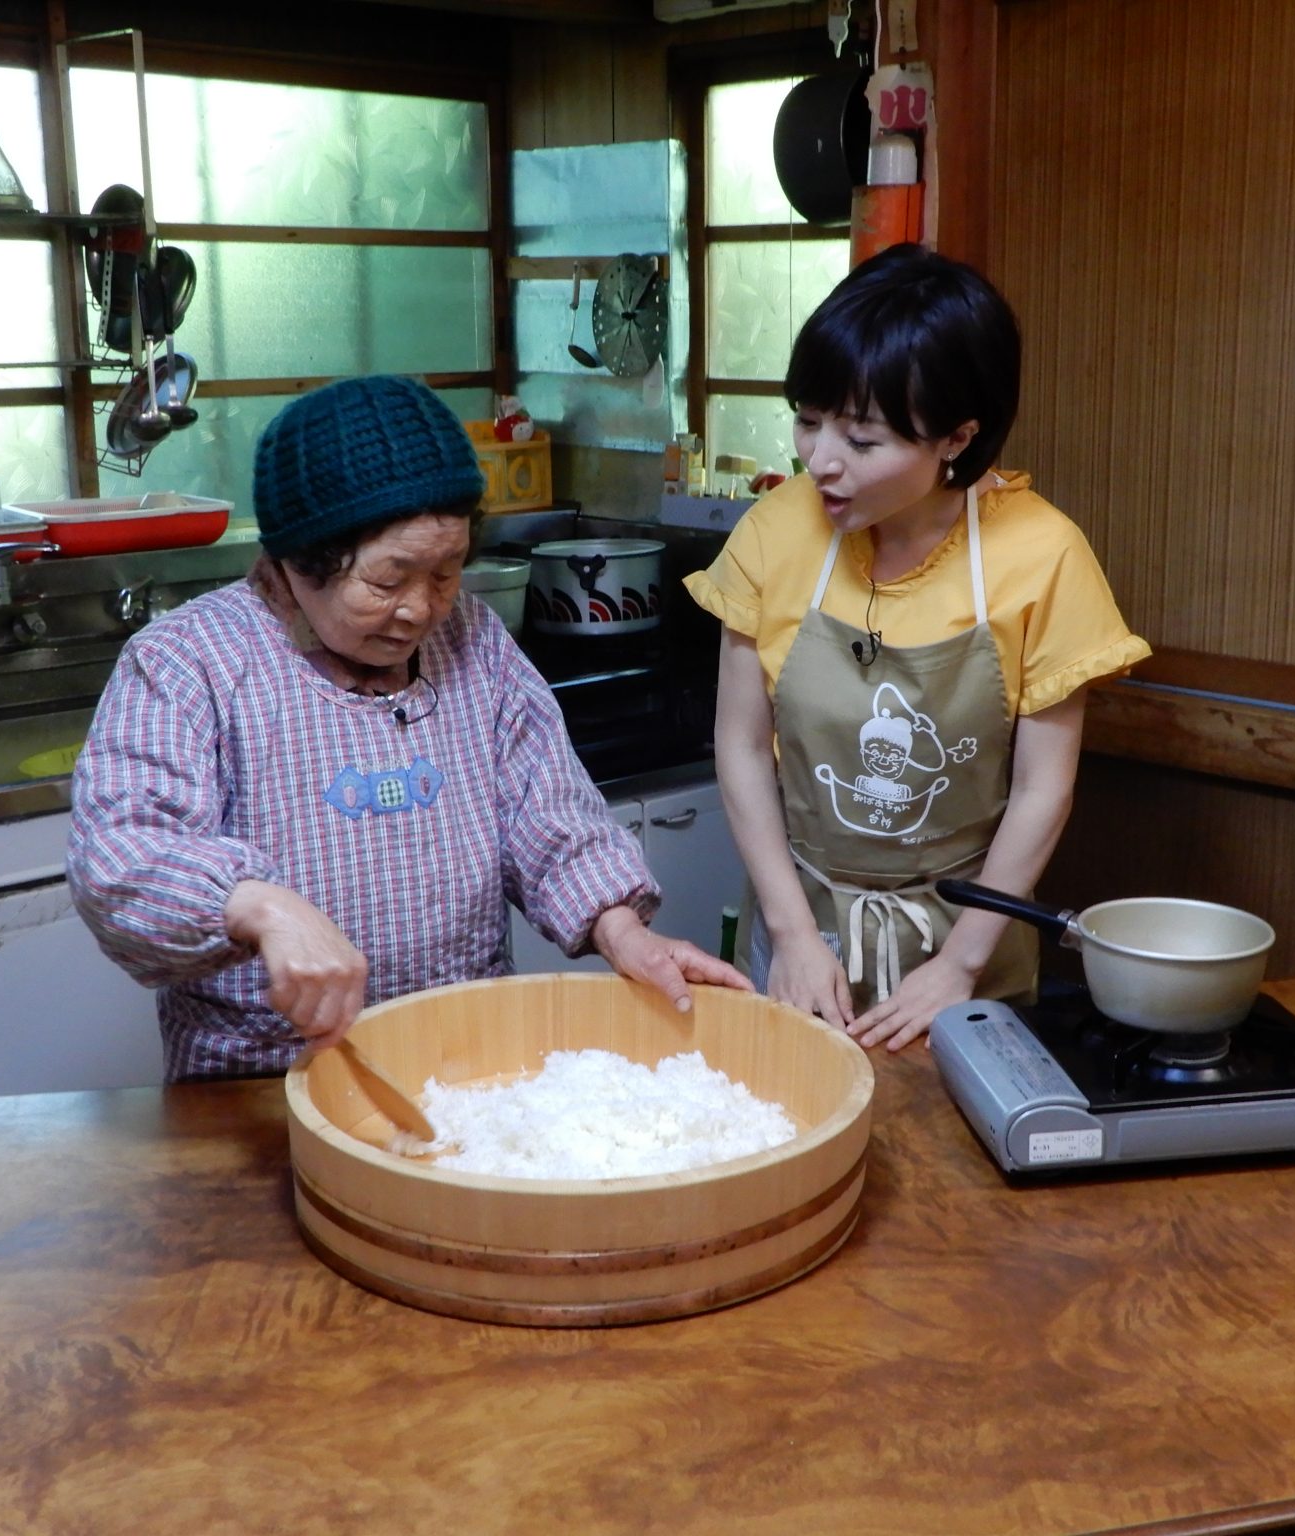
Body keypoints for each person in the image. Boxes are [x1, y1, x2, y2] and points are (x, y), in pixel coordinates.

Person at [69, 374, 747, 1080]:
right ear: (300, 561)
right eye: (388, 582)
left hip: (467, 1069)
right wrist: (256, 905)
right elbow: (119, 855)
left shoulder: (472, 640)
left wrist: (622, 929)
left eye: (447, 573)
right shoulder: (188, 663)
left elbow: (546, 811)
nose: (421, 610)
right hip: (263, 1081)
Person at [684, 245, 1150, 1053]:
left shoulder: (1043, 556)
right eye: (808, 420)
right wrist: (793, 936)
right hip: (807, 924)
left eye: (861, 441)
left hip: (970, 933)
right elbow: (739, 743)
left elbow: (1044, 788)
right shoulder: (773, 531)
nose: (819, 461)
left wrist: (960, 966)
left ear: (957, 439)